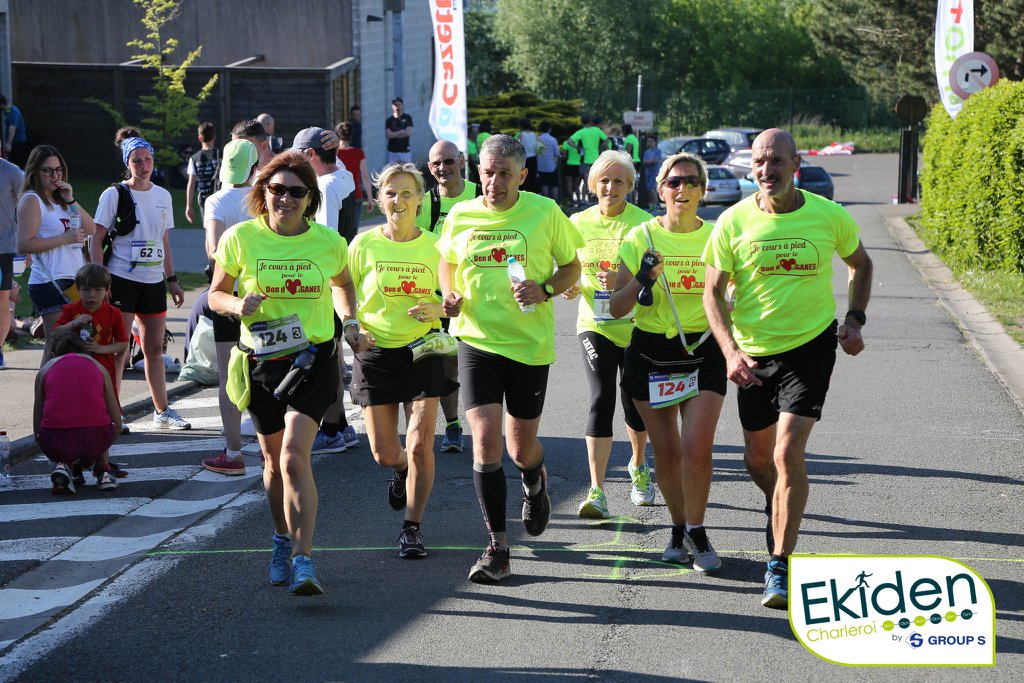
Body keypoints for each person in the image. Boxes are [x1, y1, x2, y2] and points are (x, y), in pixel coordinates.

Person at [702, 128, 873, 607]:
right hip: (753, 355)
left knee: (786, 452)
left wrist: (855, 320)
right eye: (759, 162)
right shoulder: (733, 222)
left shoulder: (828, 215)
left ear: (795, 163)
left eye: (776, 161)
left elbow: (861, 264)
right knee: (758, 460)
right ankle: (782, 505)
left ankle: (779, 564)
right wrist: (731, 352)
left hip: (812, 347)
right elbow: (711, 293)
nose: (766, 170)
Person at [210, 151, 358, 595]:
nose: (286, 199)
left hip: (313, 360)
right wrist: (238, 305)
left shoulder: (327, 242)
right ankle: (280, 538)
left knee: (295, 455)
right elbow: (216, 294)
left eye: (297, 191)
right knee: (273, 462)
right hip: (260, 363)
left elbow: (343, 284)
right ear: (263, 192)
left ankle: (303, 558)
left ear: (310, 198)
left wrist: (348, 322)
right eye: (277, 190)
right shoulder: (240, 239)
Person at [438, 134, 582, 583]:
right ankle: (498, 546)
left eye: (504, 174)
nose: (494, 182)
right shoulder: (461, 214)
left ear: (522, 174)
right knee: (486, 442)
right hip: (476, 340)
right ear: (476, 170)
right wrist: (450, 293)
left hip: (528, 345)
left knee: (521, 449)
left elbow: (572, 265)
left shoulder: (544, 212)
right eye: (487, 172)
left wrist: (546, 289)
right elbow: (445, 260)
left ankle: (535, 483)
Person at [609, 152, 728, 573]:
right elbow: (618, 308)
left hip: (703, 351)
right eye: (674, 182)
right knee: (669, 453)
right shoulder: (640, 236)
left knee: (697, 448)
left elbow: (734, 298)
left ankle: (697, 529)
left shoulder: (718, 236)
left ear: (703, 189)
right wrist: (643, 277)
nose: (683, 189)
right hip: (650, 355)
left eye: (692, 182)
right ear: (660, 190)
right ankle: (678, 528)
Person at [348, 162, 450, 558]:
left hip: (422, 351)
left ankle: (412, 527)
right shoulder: (363, 245)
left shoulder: (437, 246)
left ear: (421, 200)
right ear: (379, 200)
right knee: (384, 454)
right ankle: (401, 469)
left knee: (422, 443)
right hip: (374, 355)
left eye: (407, 193)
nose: (399, 200)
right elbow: (343, 292)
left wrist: (438, 309)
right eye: (391, 193)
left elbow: (457, 301)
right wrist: (353, 329)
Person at [563, 151, 653, 519]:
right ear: (592, 184)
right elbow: (566, 266)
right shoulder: (577, 222)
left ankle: (638, 465)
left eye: (618, 181)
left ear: (630, 186)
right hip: (594, 324)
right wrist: (569, 285)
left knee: (634, 400)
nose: (610, 187)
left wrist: (625, 282)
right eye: (604, 180)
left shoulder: (645, 225)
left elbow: (654, 280)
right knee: (601, 397)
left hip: (635, 325)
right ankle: (597, 489)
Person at [90, 135, 190, 430]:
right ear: (127, 164)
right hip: (121, 279)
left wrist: (172, 280)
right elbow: (96, 239)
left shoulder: (163, 195)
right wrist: (100, 279)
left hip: (152, 282)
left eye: (147, 159)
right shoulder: (114, 194)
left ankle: (163, 410)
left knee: (155, 350)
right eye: (136, 160)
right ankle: (111, 413)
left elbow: (164, 239)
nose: (143, 165)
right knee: (119, 349)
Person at [289, 127, 360, 454]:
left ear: (311, 156)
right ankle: (341, 426)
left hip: (327, 284)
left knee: (326, 361)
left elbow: (324, 239)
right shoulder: (344, 176)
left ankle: (331, 429)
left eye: (300, 157)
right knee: (330, 358)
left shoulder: (325, 187)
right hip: (342, 277)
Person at [198, 139, 259, 476]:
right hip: (266, 296)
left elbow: (212, 249)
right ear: (254, 167)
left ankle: (233, 452)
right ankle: (271, 449)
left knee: (228, 376)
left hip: (227, 297)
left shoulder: (217, 200)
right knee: (266, 371)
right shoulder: (263, 197)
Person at [416, 140, 480, 453]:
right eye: (436, 163)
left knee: (477, 366)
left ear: (461, 161)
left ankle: (487, 422)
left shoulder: (481, 196)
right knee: (445, 364)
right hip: (438, 299)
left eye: (448, 161)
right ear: (430, 168)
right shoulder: (426, 203)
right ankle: (453, 425)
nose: (443, 168)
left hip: (477, 300)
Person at [17, 145, 97, 366]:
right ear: (35, 171)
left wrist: (70, 199)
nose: (55, 176)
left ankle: (58, 397)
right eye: (48, 171)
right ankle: (44, 400)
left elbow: (91, 229)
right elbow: (24, 243)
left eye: (59, 170)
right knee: (57, 346)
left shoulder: (61, 201)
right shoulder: (32, 200)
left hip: (74, 280)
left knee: (72, 345)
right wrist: (66, 238)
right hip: (49, 282)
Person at [34, 329, 121, 494]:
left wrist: (49, 448)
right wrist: (98, 448)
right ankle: (104, 470)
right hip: (95, 441)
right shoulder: (98, 367)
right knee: (100, 420)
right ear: (84, 350)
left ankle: (63, 464)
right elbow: (117, 423)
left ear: (53, 353)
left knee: (59, 429)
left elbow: (37, 427)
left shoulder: (45, 370)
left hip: (55, 442)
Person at [0, 156, 24, 370]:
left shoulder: (12, 172)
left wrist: (26, 240)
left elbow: (28, 202)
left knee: (2, 300)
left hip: (4, 247)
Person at [335, 120, 374, 230]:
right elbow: (365, 177)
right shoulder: (359, 153)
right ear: (351, 135)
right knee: (352, 230)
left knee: (338, 230)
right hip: (355, 196)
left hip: (339, 196)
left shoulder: (334, 153)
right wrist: (370, 198)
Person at [185, 122, 220, 225]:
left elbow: (191, 183)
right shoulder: (221, 155)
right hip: (220, 197)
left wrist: (189, 206)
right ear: (214, 137)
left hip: (204, 198)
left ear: (199, 138)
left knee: (208, 228)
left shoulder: (194, 158)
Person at [571, 115, 608, 196]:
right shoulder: (597, 130)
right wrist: (600, 147)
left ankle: (584, 200)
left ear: (581, 122)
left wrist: (578, 148)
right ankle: (595, 200)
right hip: (596, 160)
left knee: (586, 181)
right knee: (596, 181)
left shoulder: (581, 132)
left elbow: (569, 141)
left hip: (585, 160)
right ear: (590, 122)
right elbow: (606, 140)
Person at [1, 94, 30, 167]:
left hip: (18, 145)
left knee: (17, 165)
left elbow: (12, 129)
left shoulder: (13, 113)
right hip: (15, 144)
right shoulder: (8, 110)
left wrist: (8, 144)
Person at [385, 97, 414, 164]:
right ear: (392, 106)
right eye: (395, 105)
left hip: (404, 151)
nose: (397, 107)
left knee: (407, 170)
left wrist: (394, 134)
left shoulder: (407, 118)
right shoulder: (389, 120)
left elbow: (408, 132)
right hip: (392, 151)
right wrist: (401, 132)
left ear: (402, 105)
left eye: (399, 105)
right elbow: (388, 135)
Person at [536, 122, 560, 201]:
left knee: (544, 185)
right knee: (554, 185)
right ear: (549, 129)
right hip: (551, 167)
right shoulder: (553, 140)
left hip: (540, 167)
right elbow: (557, 153)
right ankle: (555, 203)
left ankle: (545, 203)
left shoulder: (537, 139)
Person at [516, 119, 540, 194]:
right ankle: (534, 194)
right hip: (534, 158)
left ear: (521, 126)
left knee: (524, 177)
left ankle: (524, 193)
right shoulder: (534, 134)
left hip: (525, 158)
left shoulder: (521, 134)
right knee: (533, 177)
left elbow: (516, 145)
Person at [642, 137, 664, 212]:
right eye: (648, 141)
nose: (649, 143)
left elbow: (655, 161)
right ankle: (652, 204)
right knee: (649, 189)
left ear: (655, 142)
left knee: (652, 188)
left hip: (654, 172)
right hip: (648, 172)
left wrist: (650, 161)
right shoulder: (646, 152)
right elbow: (644, 162)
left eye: (651, 141)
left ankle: (656, 204)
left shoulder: (658, 151)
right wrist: (650, 161)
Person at [560, 137, 583, 207]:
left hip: (569, 165)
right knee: (576, 185)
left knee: (569, 184)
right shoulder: (580, 143)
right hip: (577, 165)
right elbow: (582, 154)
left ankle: (571, 201)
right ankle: (579, 200)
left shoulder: (566, 143)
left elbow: (564, 156)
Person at [622, 124, 641, 203]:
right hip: (636, 161)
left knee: (629, 183)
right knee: (633, 183)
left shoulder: (629, 138)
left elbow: (628, 152)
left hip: (630, 162)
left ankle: (630, 202)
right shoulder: (634, 138)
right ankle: (633, 202)